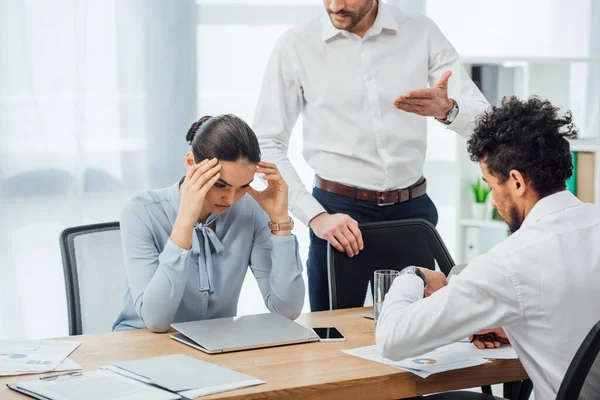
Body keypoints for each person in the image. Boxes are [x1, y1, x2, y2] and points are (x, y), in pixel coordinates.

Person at [253, 0, 489, 311]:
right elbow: (266, 143)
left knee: (422, 334)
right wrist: (315, 216)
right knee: (333, 338)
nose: (335, 4)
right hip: (337, 216)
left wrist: (449, 111)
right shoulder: (296, 46)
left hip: (412, 215)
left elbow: (485, 122)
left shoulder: (421, 32)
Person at [375, 96, 600, 400]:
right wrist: (518, 327)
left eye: (492, 185)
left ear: (517, 182)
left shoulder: (512, 262)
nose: (493, 202)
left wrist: (412, 275)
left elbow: (392, 339)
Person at [113, 114, 305, 332]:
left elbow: (287, 311)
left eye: (243, 187)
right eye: (221, 185)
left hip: (212, 347)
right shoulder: (141, 212)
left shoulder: (251, 211)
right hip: (142, 345)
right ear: (190, 163)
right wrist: (185, 222)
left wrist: (280, 221)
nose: (231, 199)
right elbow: (156, 321)